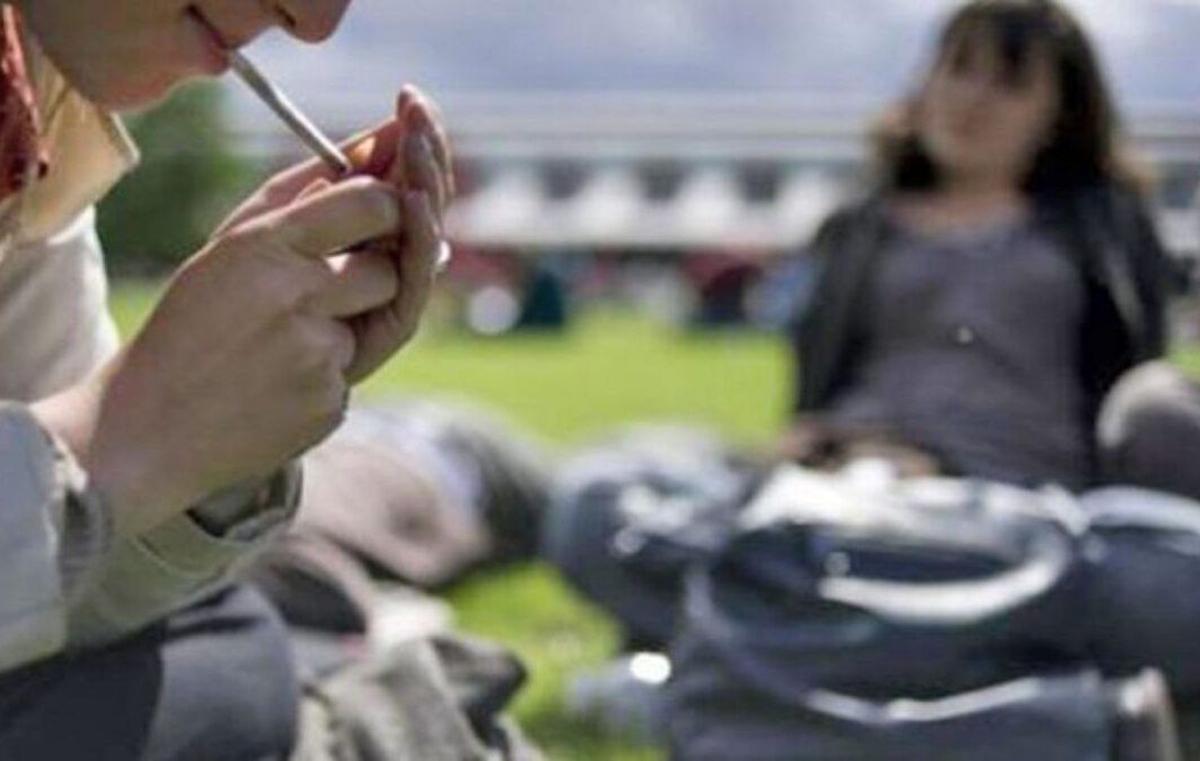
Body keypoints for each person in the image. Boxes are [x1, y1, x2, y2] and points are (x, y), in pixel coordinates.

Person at [544, 1, 1198, 758]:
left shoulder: (1103, 227)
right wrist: (819, 449)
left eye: (1009, 82)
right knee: (596, 500)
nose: (971, 98)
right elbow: (821, 389)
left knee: (1175, 575)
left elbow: (1129, 399)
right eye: (958, 69)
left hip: (1014, 527)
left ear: (1062, 113)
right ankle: (1080, 723)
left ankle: (728, 679)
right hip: (838, 507)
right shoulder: (860, 226)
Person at [0, 1, 488, 758]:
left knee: (229, 647)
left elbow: (65, 584)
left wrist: (210, 453)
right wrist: (125, 429)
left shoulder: (27, 105)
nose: (313, 22)